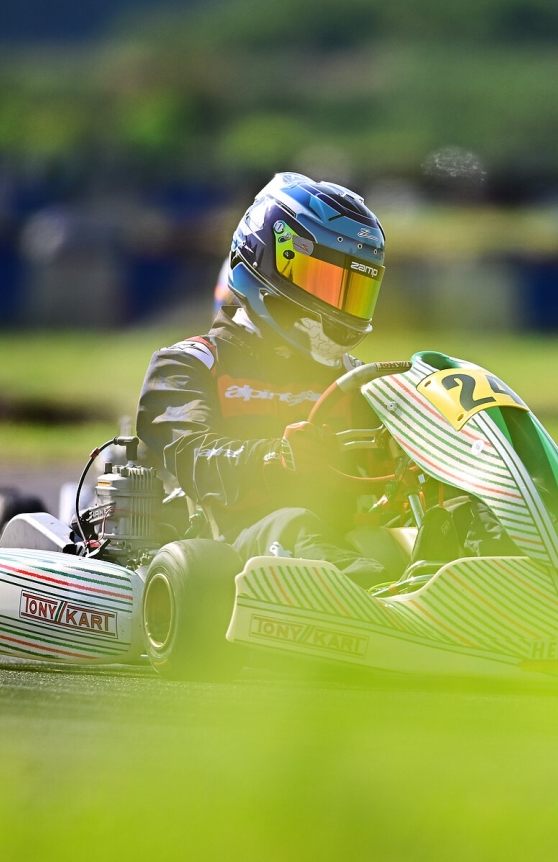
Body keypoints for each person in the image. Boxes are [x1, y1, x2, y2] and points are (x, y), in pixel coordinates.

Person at [134, 172, 393, 586]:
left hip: (341, 542)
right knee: (293, 524)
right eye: (326, 284)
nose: (339, 307)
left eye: (353, 291)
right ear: (267, 262)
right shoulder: (188, 365)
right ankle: (378, 597)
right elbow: (194, 458)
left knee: (404, 536)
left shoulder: (355, 380)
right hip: (226, 549)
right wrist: (276, 457)